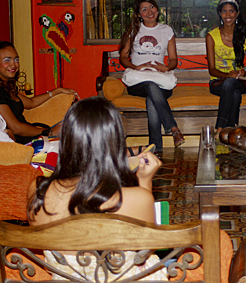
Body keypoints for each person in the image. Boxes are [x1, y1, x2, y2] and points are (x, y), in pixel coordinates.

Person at [27, 96, 166, 280]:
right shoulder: (136, 198)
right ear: (115, 141)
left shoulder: (37, 191)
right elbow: (146, 250)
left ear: (67, 139)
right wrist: (144, 183)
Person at [119, 0, 184, 151]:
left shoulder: (166, 30)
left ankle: (156, 148)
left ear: (157, 9)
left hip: (159, 79)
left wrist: (166, 68)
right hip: (138, 81)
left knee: (152, 97)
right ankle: (173, 128)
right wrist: (137, 67)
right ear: (139, 13)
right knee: (149, 85)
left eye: (152, 7)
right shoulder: (134, 30)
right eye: (144, 9)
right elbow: (122, 57)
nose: (149, 12)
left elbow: (174, 59)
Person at [0, 41, 78, 144]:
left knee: (72, 127)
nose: (13, 65)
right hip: (22, 143)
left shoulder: (7, 86)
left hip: (32, 136)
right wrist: (49, 132)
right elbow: (15, 128)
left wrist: (57, 91)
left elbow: (31, 103)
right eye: (7, 60)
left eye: (16, 59)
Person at [206, 0, 246, 134]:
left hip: (240, 81)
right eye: (224, 11)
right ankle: (232, 131)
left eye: (231, 11)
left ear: (237, 13)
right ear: (220, 14)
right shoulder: (211, 36)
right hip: (217, 82)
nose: (228, 15)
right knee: (234, 93)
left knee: (232, 85)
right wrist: (228, 75)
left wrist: (243, 73)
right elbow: (212, 70)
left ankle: (220, 129)